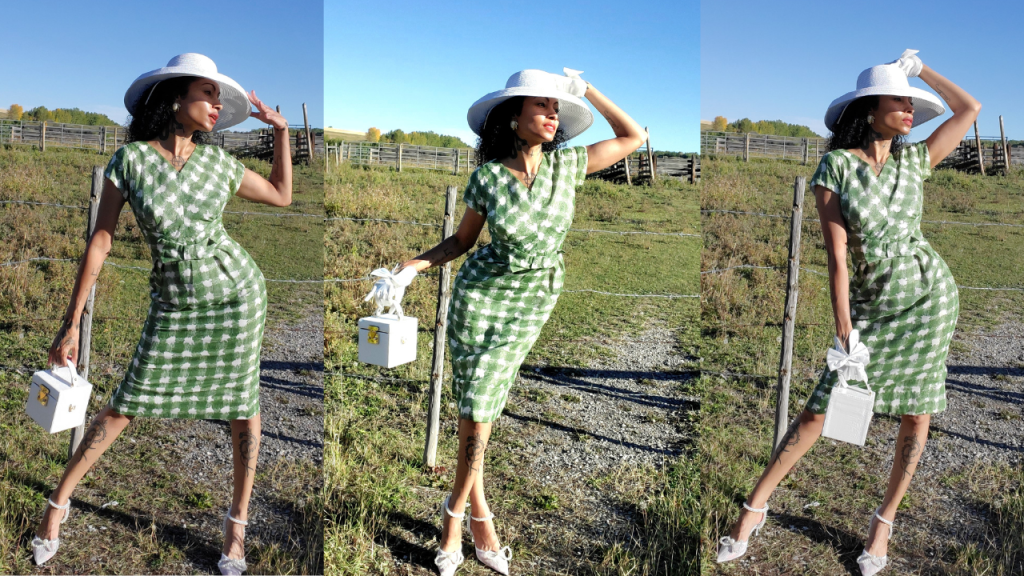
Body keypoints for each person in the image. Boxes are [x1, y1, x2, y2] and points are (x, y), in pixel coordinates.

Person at [715, 50, 980, 576]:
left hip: (931, 300)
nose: (908, 108)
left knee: (918, 411)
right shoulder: (836, 166)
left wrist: (920, 71)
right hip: (871, 306)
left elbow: (969, 109)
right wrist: (844, 330)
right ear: (868, 107)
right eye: (898, 100)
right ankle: (754, 509)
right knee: (818, 410)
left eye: (911, 102)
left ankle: (884, 523)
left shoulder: (914, 161)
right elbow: (836, 256)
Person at [31, 53, 294, 576]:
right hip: (172, 301)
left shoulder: (220, 165)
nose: (217, 106)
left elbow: (283, 196)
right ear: (176, 98)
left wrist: (282, 133)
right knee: (126, 402)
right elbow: (101, 241)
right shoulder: (131, 162)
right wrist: (71, 321)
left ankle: (235, 531)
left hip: (237, 298)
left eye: (219, 98)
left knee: (244, 404)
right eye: (207, 94)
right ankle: (54, 510)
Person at [380, 69, 647, 575]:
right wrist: (412, 266)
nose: (552, 115)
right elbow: (461, 243)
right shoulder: (487, 178)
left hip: (532, 299)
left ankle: (453, 515)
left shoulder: (569, 165)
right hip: (479, 297)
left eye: (556, 109)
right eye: (541, 107)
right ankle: (475, 521)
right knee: (476, 409)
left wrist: (584, 90)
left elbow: (635, 137)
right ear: (513, 118)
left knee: (481, 406)